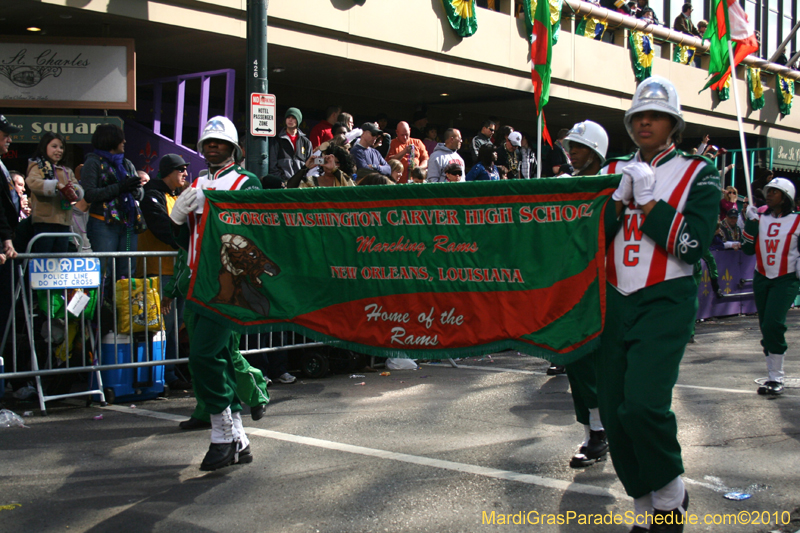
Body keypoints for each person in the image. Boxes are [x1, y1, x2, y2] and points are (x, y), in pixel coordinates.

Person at [600, 76, 719, 532]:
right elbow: (587, 240)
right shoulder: (614, 169)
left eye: (655, 115)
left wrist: (649, 204)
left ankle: (671, 496)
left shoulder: (699, 172)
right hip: (612, 300)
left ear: (674, 124)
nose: (644, 122)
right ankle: (645, 507)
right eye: (638, 116)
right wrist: (614, 201)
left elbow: (691, 245)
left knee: (644, 407)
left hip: (665, 298)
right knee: (614, 413)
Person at [169, 115, 262, 471]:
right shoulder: (194, 182)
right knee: (217, 357)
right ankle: (238, 437)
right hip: (196, 280)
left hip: (227, 284)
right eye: (208, 141)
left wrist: (218, 206)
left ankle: (221, 437)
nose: (212, 146)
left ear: (233, 148)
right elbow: (184, 241)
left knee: (204, 357)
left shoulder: (246, 182)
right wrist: (177, 218)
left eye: (219, 142)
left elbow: (252, 229)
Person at [558, 119, 610, 468]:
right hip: (571, 287)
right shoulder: (562, 186)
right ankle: (595, 432)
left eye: (577, 147)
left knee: (610, 365)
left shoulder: (613, 187)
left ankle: (615, 427)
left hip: (608, 286)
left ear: (595, 151)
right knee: (577, 362)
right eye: (569, 147)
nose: (571, 152)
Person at [742, 177, 800, 396]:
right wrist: (750, 222)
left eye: (774, 191)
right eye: (768, 191)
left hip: (786, 279)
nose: (768, 194)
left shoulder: (797, 221)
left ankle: (777, 377)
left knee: (774, 324)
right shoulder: (760, 218)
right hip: (761, 277)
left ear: (785, 197)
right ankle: (771, 377)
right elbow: (747, 250)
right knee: (766, 326)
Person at [138, 154, 190, 391]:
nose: (185, 174)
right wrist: (184, 243)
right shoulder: (152, 195)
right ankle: (163, 373)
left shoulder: (176, 195)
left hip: (176, 270)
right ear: (169, 171)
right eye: (181, 170)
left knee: (175, 325)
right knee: (164, 325)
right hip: (157, 271)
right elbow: (162, 227)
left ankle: (170, 370)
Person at [80, 124, 145, 291]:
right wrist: (120, 187)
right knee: (103, 273)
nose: (124, 141)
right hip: (103, 224)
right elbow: (90, 194)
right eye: (120, 138)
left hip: (128, 225)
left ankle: (123, 314)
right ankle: (101, 314)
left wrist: (135, 189)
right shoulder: (92, 162)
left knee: (126, 274)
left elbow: (140, 194)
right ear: (110, 139)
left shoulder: (126, 163)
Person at [25, 132, 84, 254]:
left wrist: (74, 190)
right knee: (43, 260)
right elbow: (33, 183)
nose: (59, 150)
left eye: (61, 147)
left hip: (64, 223)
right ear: (44, 147)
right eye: (54, 146)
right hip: (44, 223)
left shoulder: (66, 170)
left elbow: (78, 189)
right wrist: (56, 185)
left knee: (60, 260)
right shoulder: (37, 166)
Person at [269, 107, 313, 183]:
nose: (290, 120)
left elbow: (310, 165)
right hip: (283, 184)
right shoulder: (277, 140)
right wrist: (282, 181)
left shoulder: (306, 142)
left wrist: (304, 180)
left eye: (293, 118)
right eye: (288, 117)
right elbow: (272, 166)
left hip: (301, 185)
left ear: (298, 120)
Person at [288, 145, 355, 188]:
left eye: (335, 163)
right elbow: (290, 187)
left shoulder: (345, 181)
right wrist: (305, 167)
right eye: (327, 161)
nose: (330, 164)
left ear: (343, 166)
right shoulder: (311, 181)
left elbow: (353, 191)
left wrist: (334, 170)